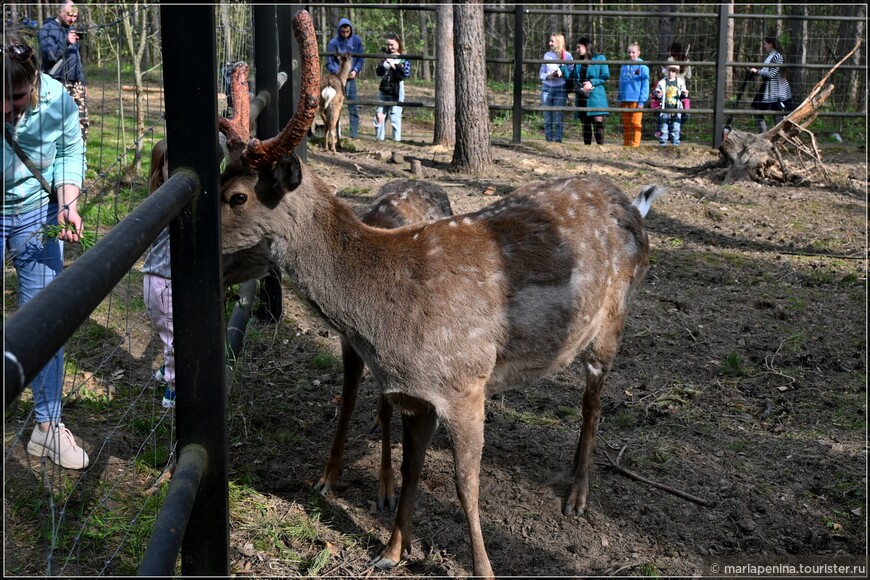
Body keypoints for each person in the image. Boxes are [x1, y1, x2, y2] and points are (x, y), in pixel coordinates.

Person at [3, 32, 89, 470]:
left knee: (44, 318)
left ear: (34, 81)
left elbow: (70, 151)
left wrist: (68, 202)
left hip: (36, 210)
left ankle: (46, 427)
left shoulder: (58, 101)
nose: (6, 109)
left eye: (16, 97)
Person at [141, 140, 176, 409]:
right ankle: (174, 388)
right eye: (169, 162)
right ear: (159, 172)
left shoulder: (167, 200)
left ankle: (167, 370)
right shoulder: (165, 204)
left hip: (166, 280)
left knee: (172, 333)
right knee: (175, 338)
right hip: (162, 284)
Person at [38, 1, 88, 142]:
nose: (72, 19)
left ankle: (80, 157)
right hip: (56, 83)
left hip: (76, 84)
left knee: (82, 122)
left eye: (75, 16)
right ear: (60, 11)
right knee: (55, 123)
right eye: (69, 15)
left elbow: (76, 59)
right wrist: (65, 42)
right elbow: (49, 56)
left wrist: (82, 82)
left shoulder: (71, 30)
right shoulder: (47, 29)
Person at [563, 37, 609, 145]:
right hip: (582, 96)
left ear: (586, 46)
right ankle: (587, 149)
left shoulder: (600, 58)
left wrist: (592, 82)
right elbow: (572, 76)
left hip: (596, 96)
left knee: (598, 122)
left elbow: (605, 75)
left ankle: (600, 148)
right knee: (586, 124)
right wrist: (562, 68)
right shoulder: (578, 62)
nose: (577, 50)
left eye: (579, 47)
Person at [326, 18, 364, 139]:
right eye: (343, 32)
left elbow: (361, 59)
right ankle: (336, 134)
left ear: (351, 30)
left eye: (347, 31)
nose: (345, 34)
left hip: (351, 78)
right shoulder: (333, 43)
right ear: (339, 31)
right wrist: (337, 73)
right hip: (336, 81)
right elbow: (329, 62)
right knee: (335, 106)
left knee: (353, 105)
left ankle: (354, 135)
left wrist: (355, 70)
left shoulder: (357, 41)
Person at [749, 36, 793, 133]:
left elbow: (771, 74)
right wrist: (756, 72)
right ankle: (764, 136)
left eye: (765, 44)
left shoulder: (777, 56)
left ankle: (777, 138)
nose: (764, 46)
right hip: (768, 88)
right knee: (758, 110)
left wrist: (757, 72)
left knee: (777, 114)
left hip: (777, 90)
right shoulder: (771, 56)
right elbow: (767, 72)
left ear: (771, 44)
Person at [374, 33, 410, 142]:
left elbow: (405, 74)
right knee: (380, 113)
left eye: (392, 45)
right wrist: (383, 63)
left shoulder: (403, 58)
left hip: (397, 88)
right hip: (384, 86)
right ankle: (379, 140)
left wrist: (393, 65)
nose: (390, 47)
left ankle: (396, 140)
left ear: (398, 44)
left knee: (395, 115)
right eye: (388, 45)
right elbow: (379, 72)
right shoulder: (385, 56)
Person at [539, 33, 571, 143]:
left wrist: (562, 73)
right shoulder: (546, 55)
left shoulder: (567, 56)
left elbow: (571, 72)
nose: (550, 43)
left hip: (560, 88)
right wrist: (548, 76)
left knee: (558, 118)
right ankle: (548, 140)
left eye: (552, 41)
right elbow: (541, 73)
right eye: (550, 41)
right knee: (547, 117)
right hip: (546, 87)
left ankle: (558, 141)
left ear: (559, 42)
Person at [617, 42, 649, 147]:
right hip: (625, 99)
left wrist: (641, 101)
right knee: (626, 124)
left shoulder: (643, 67)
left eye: (633, 52)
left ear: (638, 53)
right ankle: (626, 145)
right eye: (629, 52)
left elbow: (645, 85)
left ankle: (635, 145)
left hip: (636, 100)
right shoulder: (624, 66)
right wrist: (619, 97)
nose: (631, 54)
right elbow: (621, 82)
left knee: (636, 123)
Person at [653, 64, 688, 146]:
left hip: (676, 108)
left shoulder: (680, 82)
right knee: (663, 127)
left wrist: (685, 94)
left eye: (673, 71)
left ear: (676, 73)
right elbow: (656, 94)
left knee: (676, 127)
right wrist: (658, 95)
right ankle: (663, 142)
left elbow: (683, 96)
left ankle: (675, 142)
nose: (670, 73)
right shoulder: (662, 82)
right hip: (665, 107)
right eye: (669, 70)